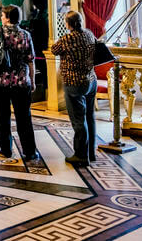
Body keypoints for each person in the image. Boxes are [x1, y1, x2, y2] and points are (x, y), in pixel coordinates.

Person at [0, 5, 38, 160]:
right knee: (24, 117)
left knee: (2, 116)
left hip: (0, 81)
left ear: (7, 18)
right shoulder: (25, 35)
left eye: (2, 15)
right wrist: (32, 80)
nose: (1, 17)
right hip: (21, 82)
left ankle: (5, 149)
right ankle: (30, 151)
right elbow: (30, 60)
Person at [51, 10, 97, 166]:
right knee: (89, 116)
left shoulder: (67, 39)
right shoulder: (89, 34)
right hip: (91, 80)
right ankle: (91, 152)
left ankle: (81, 155)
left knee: (78, 120)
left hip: (74, 82)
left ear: (68, 24)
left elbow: (54, 50)